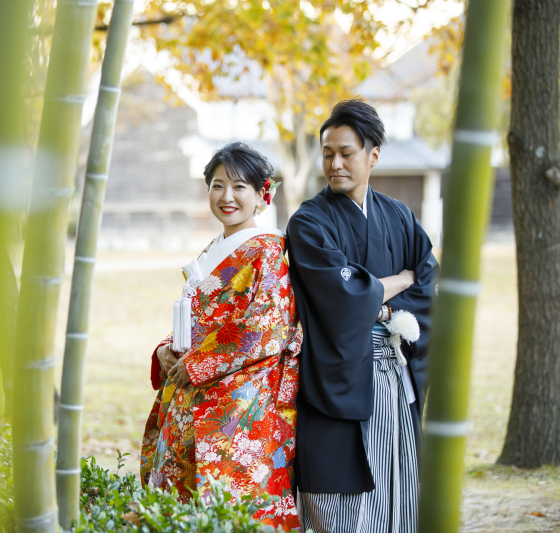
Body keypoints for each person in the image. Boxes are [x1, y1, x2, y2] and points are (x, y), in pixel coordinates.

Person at [287, 99, 439, 533]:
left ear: (373, 156)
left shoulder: (399, 216)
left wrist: (380, 298)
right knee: (334, 504)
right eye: (327, 152)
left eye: (346, 153)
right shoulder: (309, 222)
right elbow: (344, 294)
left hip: (393, 377)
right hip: (336, 377)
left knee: (398, 491)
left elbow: (428, 282)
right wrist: (395, 282)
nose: (334, 163)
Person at [141, 142, 301, 530]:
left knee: (232, 502)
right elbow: (198, 318)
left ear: (263, 194)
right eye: (217, 185)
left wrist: (197, 364)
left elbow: (266, 329)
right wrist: (167, 348)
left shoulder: (269, 251)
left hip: (239, 401)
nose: (226, 196)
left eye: (239, 186)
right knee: (180, 503)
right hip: (189, 387)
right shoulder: (214, 248)